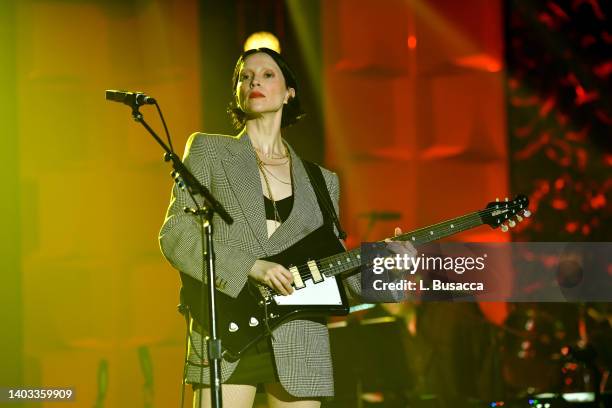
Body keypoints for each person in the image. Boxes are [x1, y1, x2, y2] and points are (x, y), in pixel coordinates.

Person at [159, 47, 412, 408]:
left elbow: (340, 270)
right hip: (228, 331)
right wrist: (250, 266)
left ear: (289, 92)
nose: (254, 82)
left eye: (267, 75)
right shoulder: (208, 151)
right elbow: (176, 235)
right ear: (236, 92)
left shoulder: (322, 181)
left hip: (300, 336)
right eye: (245, 77)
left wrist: (388, 266)